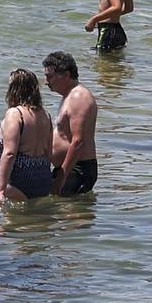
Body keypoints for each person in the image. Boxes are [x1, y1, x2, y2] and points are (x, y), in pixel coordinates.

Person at [0, 68, 55, 203]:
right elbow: (49, 154)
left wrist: (0, 189)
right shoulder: (46, 115)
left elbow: (9, 153)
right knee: (37, 222)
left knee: (10, 224)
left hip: (19, 180)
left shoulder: (15, 114)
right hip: (43, 178)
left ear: (13, 89)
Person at [44, 52, 99, 196]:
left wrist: (61, 177)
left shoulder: (78, 97)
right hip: (69, 169)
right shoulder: (69, 96)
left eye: (50, 76)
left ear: (66, 75)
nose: (46, 81)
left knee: (71, 215)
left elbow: (78, 141)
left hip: (77, 169)